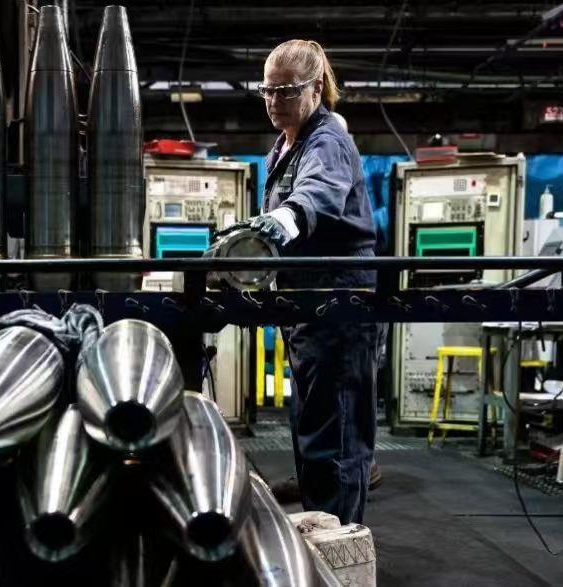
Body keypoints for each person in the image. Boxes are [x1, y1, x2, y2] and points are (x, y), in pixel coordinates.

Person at [220, 39, 380, 525]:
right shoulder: (284, 146)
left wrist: (285, 219)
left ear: (314, 89)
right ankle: (320, 534)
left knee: (338, 437)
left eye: (286, 91)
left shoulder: (327, 139)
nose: (274, 101)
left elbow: (318, 193)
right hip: (308, 309)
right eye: (267, 91)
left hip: (339, 305)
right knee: (313, 432)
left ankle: (342, 543)